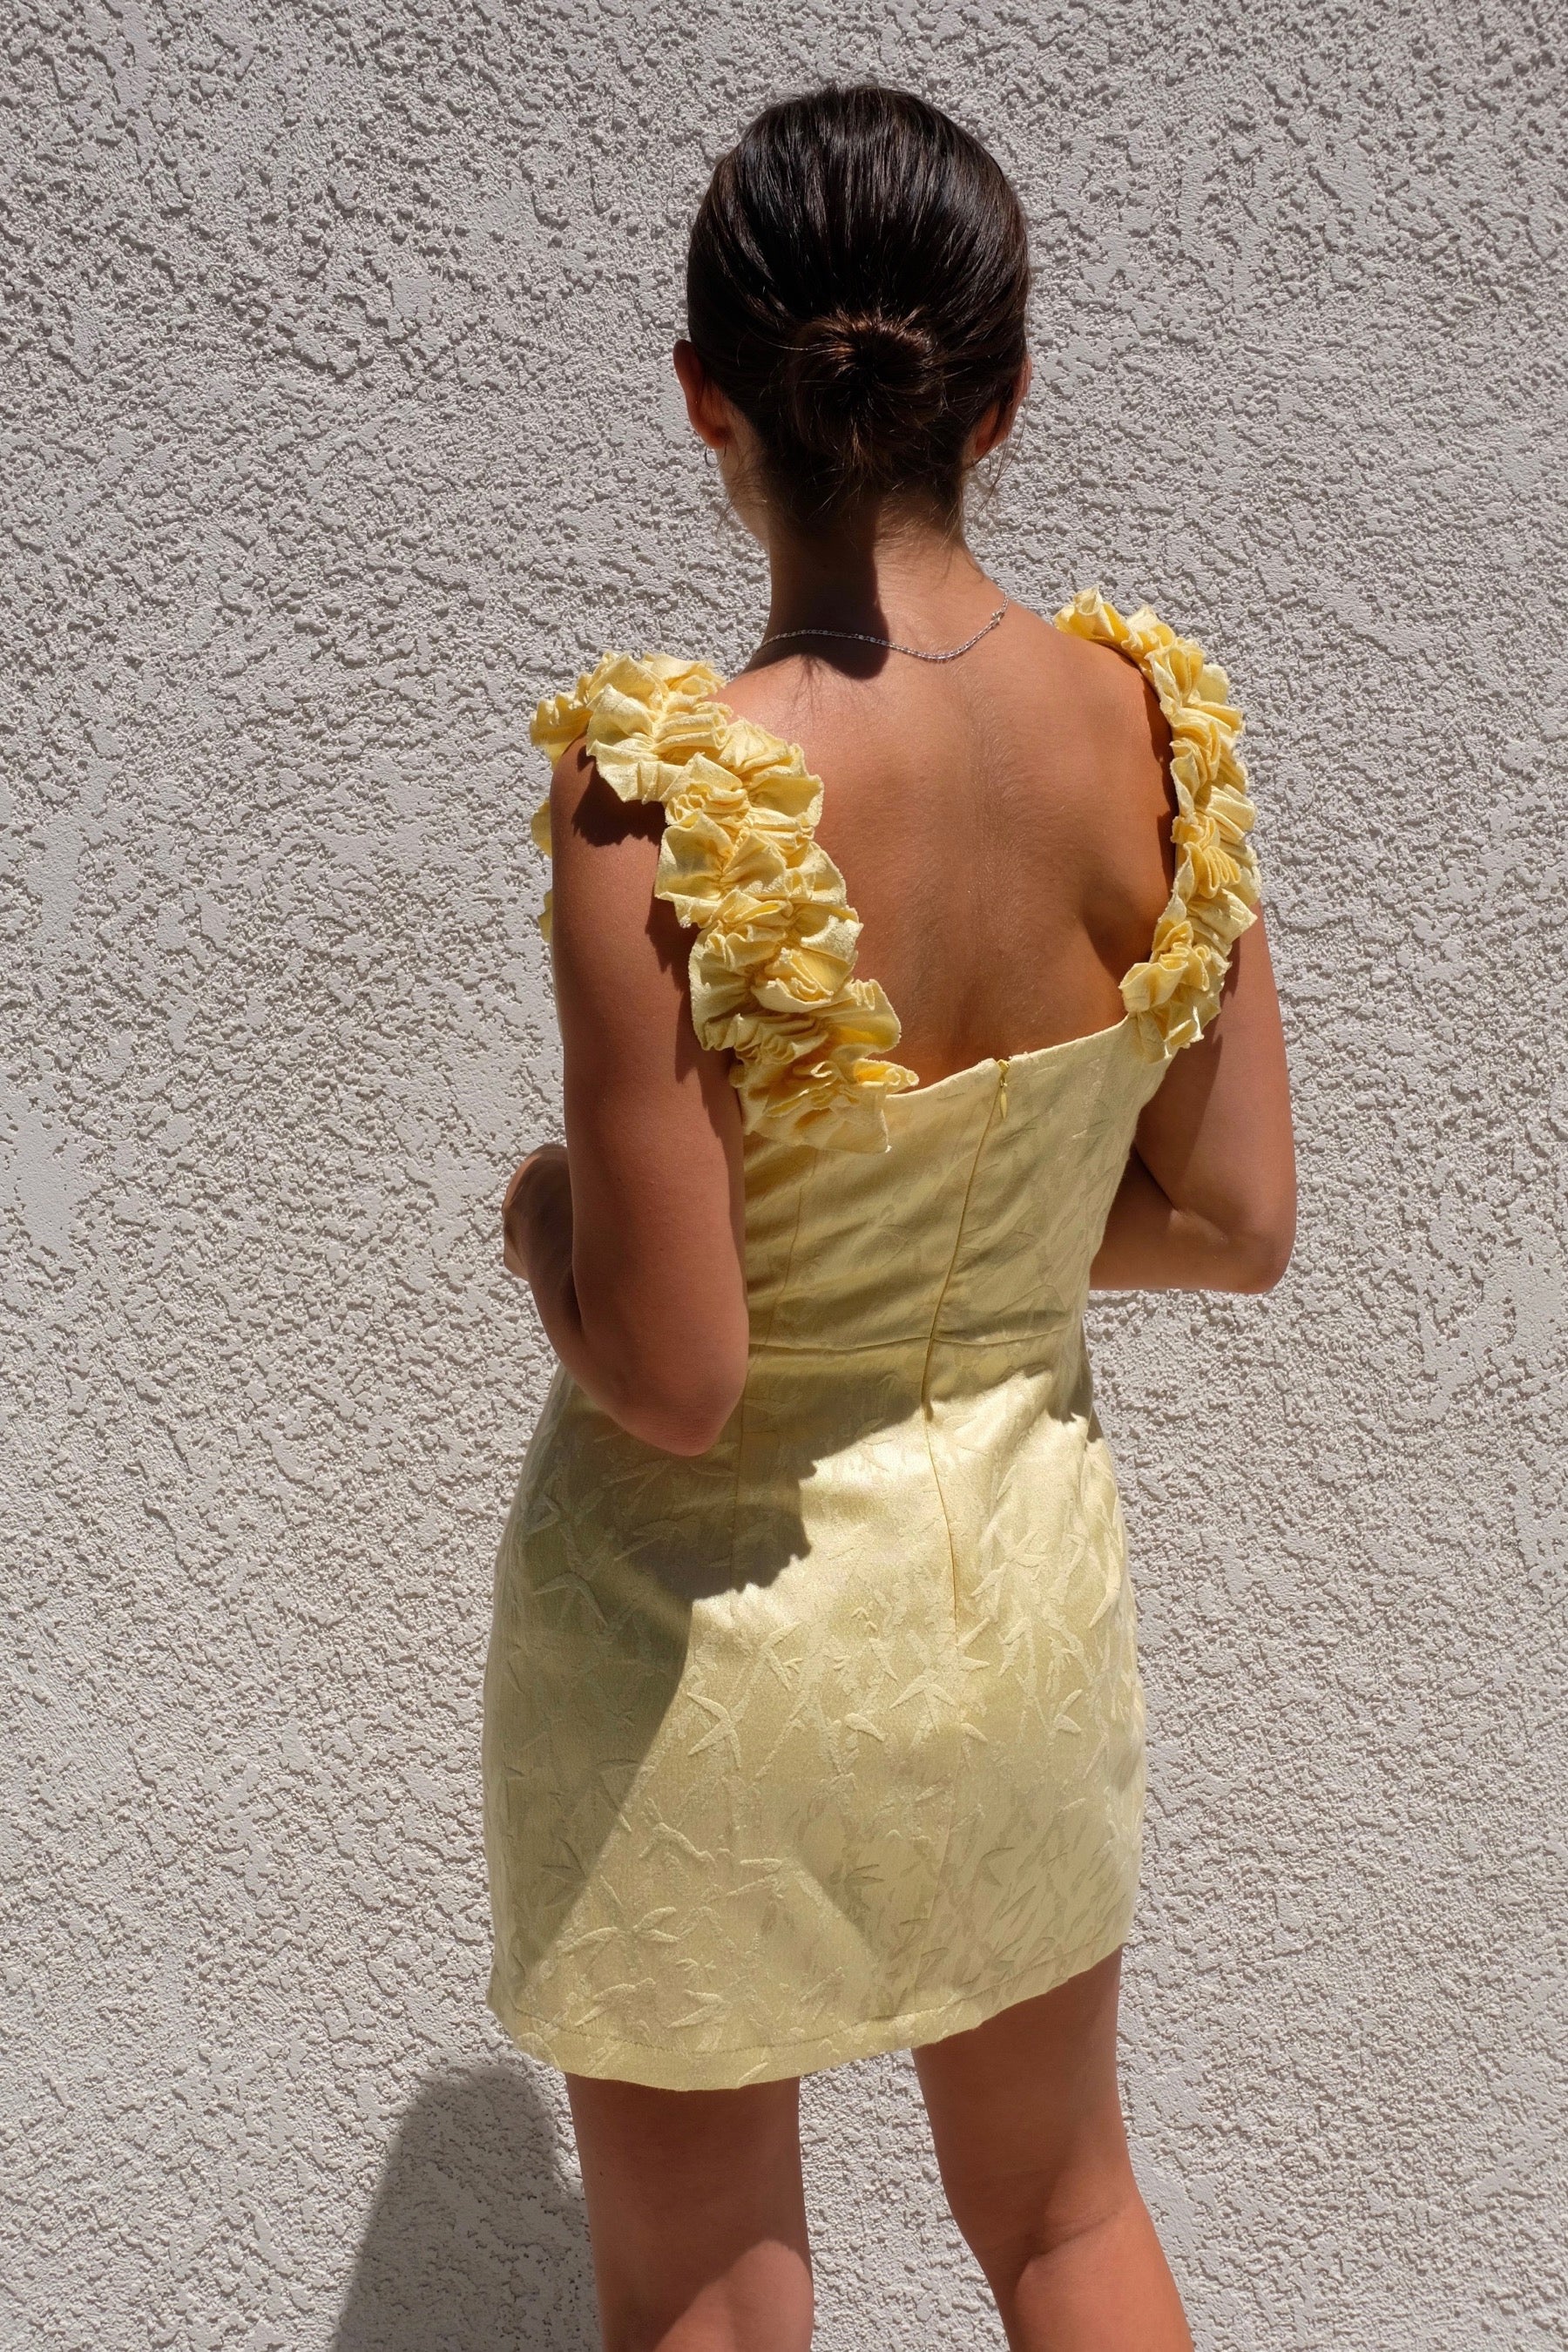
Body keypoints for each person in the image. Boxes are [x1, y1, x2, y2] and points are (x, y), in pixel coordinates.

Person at [485, 82, 1294, 2352]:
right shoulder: (1152, 735)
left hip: (703, 1643)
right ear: (1003, 397)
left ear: (705, 397)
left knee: (711, 2289)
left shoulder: (660, 799)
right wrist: (990, 1241)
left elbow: (681, 1374)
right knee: (1061, 2215)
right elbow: (1235, 1218)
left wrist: (545, 1220)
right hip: (1012, 1610)